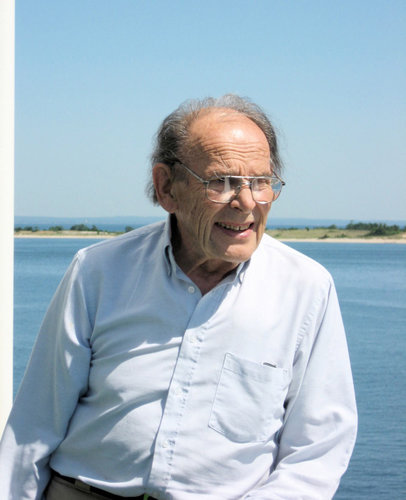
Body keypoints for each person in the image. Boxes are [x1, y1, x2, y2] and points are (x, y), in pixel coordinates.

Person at [0, 95, 357, 500]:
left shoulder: (306, 288)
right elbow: (33, 426)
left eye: (261, 182)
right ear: (167, 187)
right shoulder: (98, 271)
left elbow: (318, 450)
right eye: (222, 182)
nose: (246, 202)